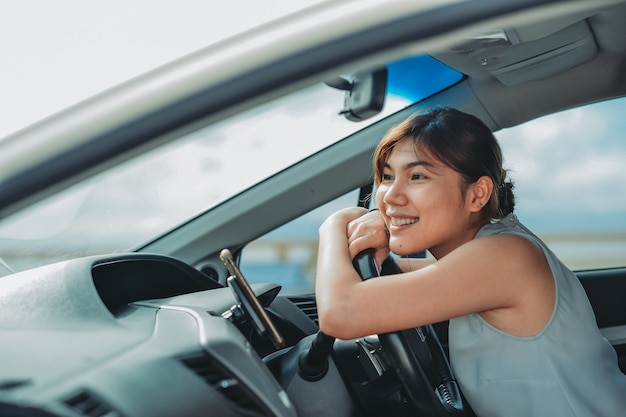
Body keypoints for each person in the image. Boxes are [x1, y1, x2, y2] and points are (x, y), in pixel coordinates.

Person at [315, 107, 626, 416]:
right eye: (386, 176)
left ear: (477, 195)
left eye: (417, 176)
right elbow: (396, 275)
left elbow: (341, 314)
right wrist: (374, 222)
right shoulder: (486, 250)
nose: (390, 196)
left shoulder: (504, 256)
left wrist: (336, 223)